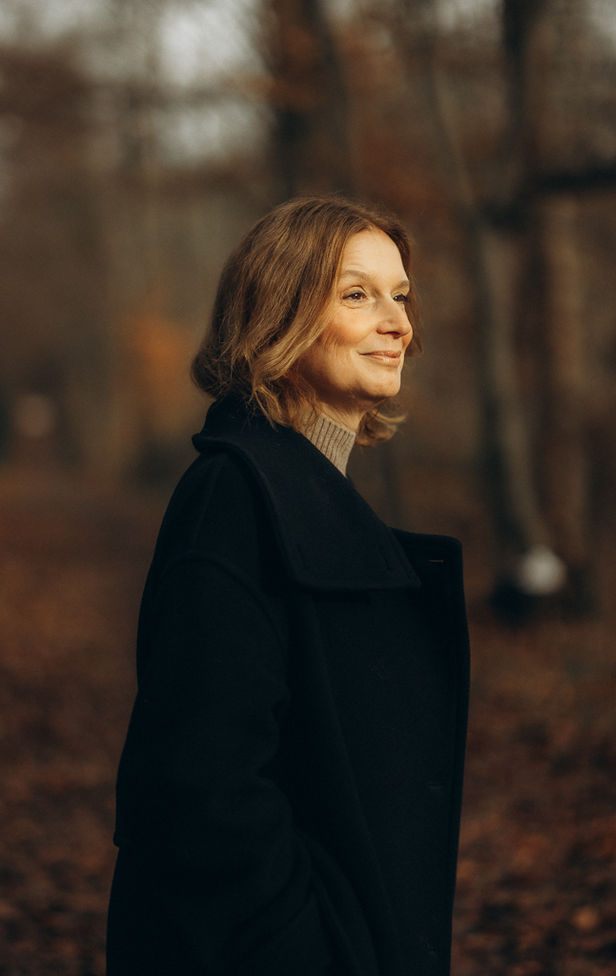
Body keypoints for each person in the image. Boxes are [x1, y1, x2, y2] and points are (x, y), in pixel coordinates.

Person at [107, 196, 470, 976]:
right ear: (278, 315)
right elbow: (203, 797)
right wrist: (314, 947)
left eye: (400, 296)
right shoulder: (233, 501)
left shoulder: (307, 497)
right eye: (356, 294)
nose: (398, 323)